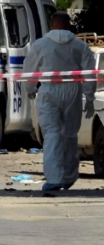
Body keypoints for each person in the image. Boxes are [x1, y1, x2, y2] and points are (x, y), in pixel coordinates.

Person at [23, 11, 95, 191]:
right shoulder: (80, 46)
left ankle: (54, 178)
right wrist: (90, 97)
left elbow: (30, 69)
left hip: (49, 90)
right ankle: (69, 176)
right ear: (69, 24)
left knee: (52, 134)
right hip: (73, 90)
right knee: (70, 134)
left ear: (52, 23)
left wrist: (30, 89)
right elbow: (89, 73)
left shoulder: (40, 45)